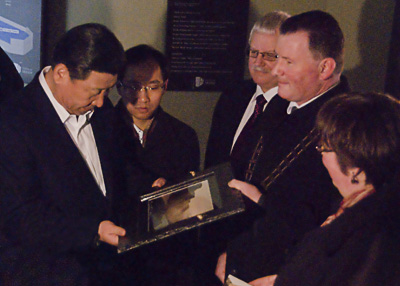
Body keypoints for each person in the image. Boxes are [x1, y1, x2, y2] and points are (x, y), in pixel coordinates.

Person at [216, 10, 351, 283]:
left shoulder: (347, 127)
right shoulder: (280, 103)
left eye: (287, 61)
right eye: (278, 58)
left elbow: (329, 223)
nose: (276, 70)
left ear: (325, 68)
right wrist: (235, 252)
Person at [0, 23, 130, 285]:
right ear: (61, 73)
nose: (102, 101)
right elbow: (19, 215)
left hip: (101, 272)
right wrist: (92, 231)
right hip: (43, 274)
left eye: (107, 91)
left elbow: (112, 173)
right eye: (95, 91)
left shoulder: (101, 110)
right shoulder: (12, 121)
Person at [258, 92, 400, 286]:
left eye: (324, 148)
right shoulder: (365, 210)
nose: (321, 155)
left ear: (354, 169)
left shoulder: (369, 240)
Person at [205, 10, 290, 177]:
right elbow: (212, 161)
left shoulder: (293, 108)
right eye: (254, 52)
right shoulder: (232, 96)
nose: (258, 62)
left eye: (269, 55)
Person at [116, 44, 200, 189]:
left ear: (165, 86)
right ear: (119, 86)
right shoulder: (103, 129)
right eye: (134, 87)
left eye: (153, 88)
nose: (143, 98)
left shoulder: (183, 136)